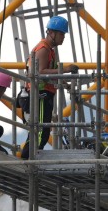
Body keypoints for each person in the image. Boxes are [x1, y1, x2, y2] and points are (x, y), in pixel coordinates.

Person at [19, 15, 79, 159]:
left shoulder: (50, 50)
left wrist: (65, 84)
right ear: (51, 33)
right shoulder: (43, 49)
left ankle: (28, 159)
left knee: (42, 131)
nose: (63, 37)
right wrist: (64, 70)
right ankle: (27, 160)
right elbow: (38, 72)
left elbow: (49, 73)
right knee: (40, 131)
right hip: (39, 95)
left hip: (44, 95)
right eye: (61, 34)